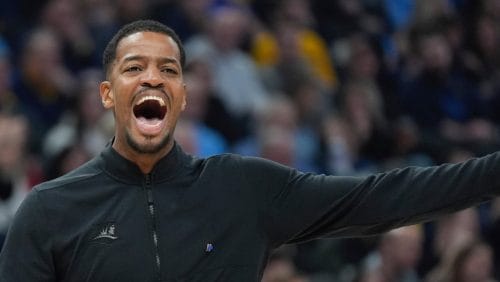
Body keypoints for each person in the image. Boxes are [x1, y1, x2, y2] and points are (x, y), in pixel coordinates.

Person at [2, 19, 500, 282]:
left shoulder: (243, 188)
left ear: (182, 98)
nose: (152, 77)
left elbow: (382, 197)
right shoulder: (51, 210)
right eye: (133, 67)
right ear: (108, 94)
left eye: (169, 70)